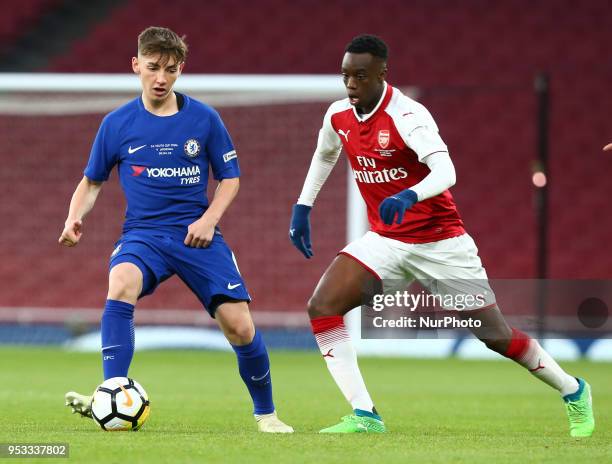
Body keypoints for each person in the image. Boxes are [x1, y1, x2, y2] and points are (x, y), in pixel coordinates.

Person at [289, 34, 594, 436]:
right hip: (387, 240)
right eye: (345, 75)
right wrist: (303, 206)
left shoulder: (408, 116)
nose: (350, 85)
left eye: (360, 76)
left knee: (494, 336)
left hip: (441, 243)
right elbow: (325, 154)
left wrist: (410, 193)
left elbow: (447, 172)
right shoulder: (338, 116)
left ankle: (574, 390)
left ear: (382, 74)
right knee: (323, 305)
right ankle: (365, 415)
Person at [59, 26, 292, 433]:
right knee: (121, 281)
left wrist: (208, 220)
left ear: (181, 69)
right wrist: (74, 216)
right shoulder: (116, 124)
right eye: (152, 68)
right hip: (144, 234)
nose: (161, 78)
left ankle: (267, 415)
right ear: (136, 66)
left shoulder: (204, 118)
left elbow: (230, 178)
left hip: (196, 236)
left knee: (239, 326)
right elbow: (92, 181)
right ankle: (111, 389)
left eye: (169, 69)